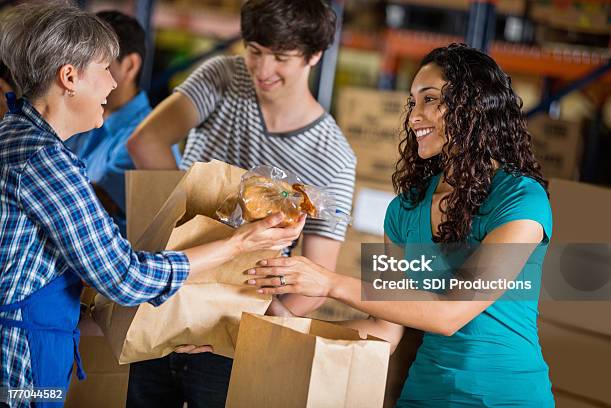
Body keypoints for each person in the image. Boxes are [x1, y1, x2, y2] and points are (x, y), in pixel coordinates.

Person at [0, 3, 303, 408]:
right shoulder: (46, 162)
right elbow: (125, 277)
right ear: (69, 77)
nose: (112, 84)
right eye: (104, 69)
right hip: (21, 360)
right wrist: (237, 244)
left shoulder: (13, 135)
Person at [250, 43, 556, 407]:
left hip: (506, 397)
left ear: (472, 106)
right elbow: (383, 329)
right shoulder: (405, 210)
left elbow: (450, 314)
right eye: (413, 102)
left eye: (430, 100)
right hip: (424, 396)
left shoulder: (520, 200)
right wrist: (283, 322)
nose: (414, 117)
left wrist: (330, 283)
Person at [125, 0, 356, 406]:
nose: (263, 70)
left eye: (281, 58)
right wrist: (175, 215)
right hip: (164, 294)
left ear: (315, 55)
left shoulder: (332, 155)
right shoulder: (222, 77)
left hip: (232, 334)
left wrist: (234, 326)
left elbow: (316, 282)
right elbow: (145, 140)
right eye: (255, 51)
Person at [64, 10, 178, 237]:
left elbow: (97, 204)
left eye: (95, 65)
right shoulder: (83, 122)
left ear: (129, 66)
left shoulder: (149, 138)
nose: (79, 76)